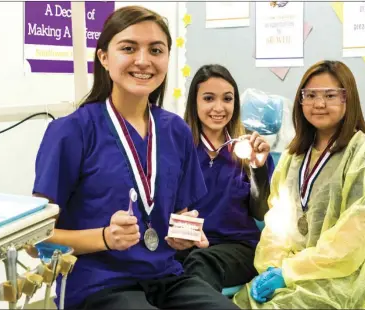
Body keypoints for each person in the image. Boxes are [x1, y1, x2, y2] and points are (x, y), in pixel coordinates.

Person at [31, 6, 239, 310]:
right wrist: (104, 237)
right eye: (128, 48)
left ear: (168, 58)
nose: (143, 60)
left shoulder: (175, 130)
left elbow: (177, 215)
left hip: (165, 276)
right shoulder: (71, 132)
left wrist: (182, 233)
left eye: (156, 50)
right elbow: (37, 243)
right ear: (103, 57)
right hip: (97, 283)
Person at [232, 60, 365, 309]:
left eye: (330, 95)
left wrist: (289, 273)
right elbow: (277, 221)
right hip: (300, 263)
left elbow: (352, 242)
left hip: (357, 267)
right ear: (300, 101)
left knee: (282, 305)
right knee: (246, 301)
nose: (319, 104)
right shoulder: (294, 155)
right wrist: (273, 265)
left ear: (348, 99)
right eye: (310, 95)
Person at [171, 64, 275, 292]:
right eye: (209, 98)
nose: (219, 108)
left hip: (238, 248)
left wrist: (258, 169)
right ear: (194, 102)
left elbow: (261, 212)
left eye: (227, 99)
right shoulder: (177, 148)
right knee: (164, 268)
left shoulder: (249, 149)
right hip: (187, 245)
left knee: (199, 264)